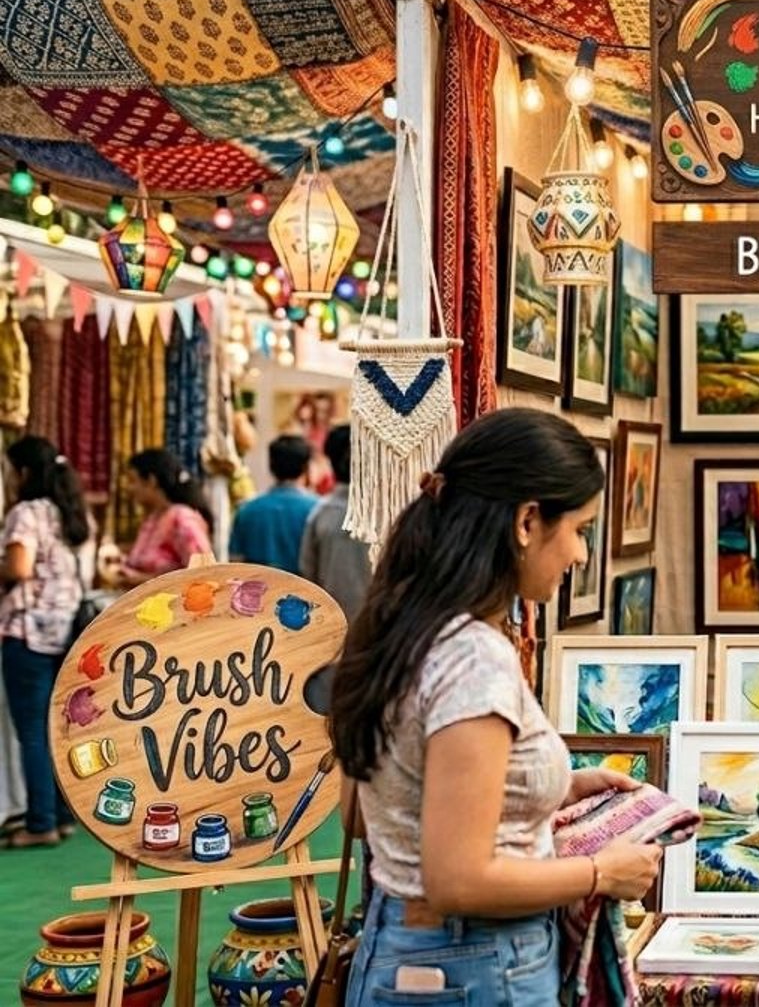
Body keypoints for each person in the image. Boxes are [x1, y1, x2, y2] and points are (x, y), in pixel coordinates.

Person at [329, 408, 659, 1004]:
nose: (581, 555)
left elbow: (368, 813)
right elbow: (459, 880)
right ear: (528, 522)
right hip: (475, 966)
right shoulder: (474, 657)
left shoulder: (396, 626)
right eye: (580, 529)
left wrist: (552, 788)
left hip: (406, 951)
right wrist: (601, 874)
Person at [0, 438, 88, 847]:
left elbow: (19, 568)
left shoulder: (26, 512)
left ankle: (40, 823)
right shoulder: (67, 510)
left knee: (33, 731)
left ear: (24, 472)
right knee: (58, 728)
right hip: (64, 629)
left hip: (28, 631)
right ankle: (63, 815)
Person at [301, 424, 371, 620]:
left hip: (332, 624)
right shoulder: (390, 513)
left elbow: (308, 574)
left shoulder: (320, 514)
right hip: (380, 626)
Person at [117, 448, 213, 587]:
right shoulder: (153, 518)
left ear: (151, 481)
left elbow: (203, 575)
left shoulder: (182, 519)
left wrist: (142, 580)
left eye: (132, 480)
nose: (129, 488)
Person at [229, 435, 319, 573]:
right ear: (306, 467)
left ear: (270, 465)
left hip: (258, 586)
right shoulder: (317, 510)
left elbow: (235, 565)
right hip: (304, 586)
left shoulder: (246, 511)